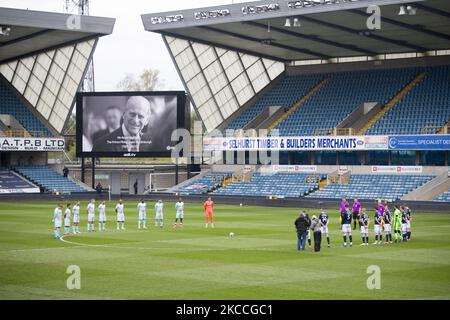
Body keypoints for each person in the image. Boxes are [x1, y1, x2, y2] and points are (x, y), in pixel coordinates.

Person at [92, 96, 165, 152]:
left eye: (140, 116)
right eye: (132, 114)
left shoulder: (153, 143)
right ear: (124, 113)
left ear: (147, 120)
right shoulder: (101, 145)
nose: (136, 120)